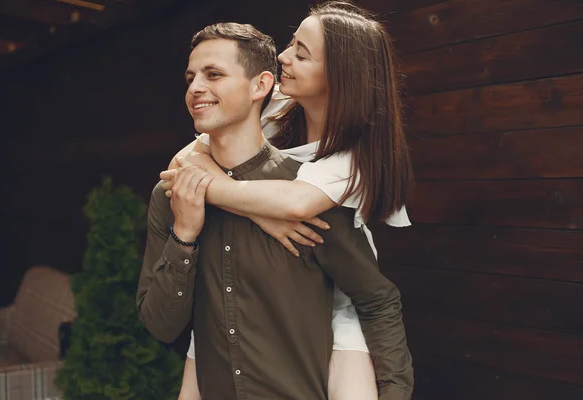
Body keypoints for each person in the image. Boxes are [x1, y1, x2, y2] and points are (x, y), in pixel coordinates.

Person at [137, 19, 412, 400]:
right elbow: (189, 156)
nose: (286, 57)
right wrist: (187, 232)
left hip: (338, 329)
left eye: (301, 53)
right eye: (190, 78)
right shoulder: (280, 108)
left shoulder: (339, 171)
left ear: (259, 86)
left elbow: (298, 203)